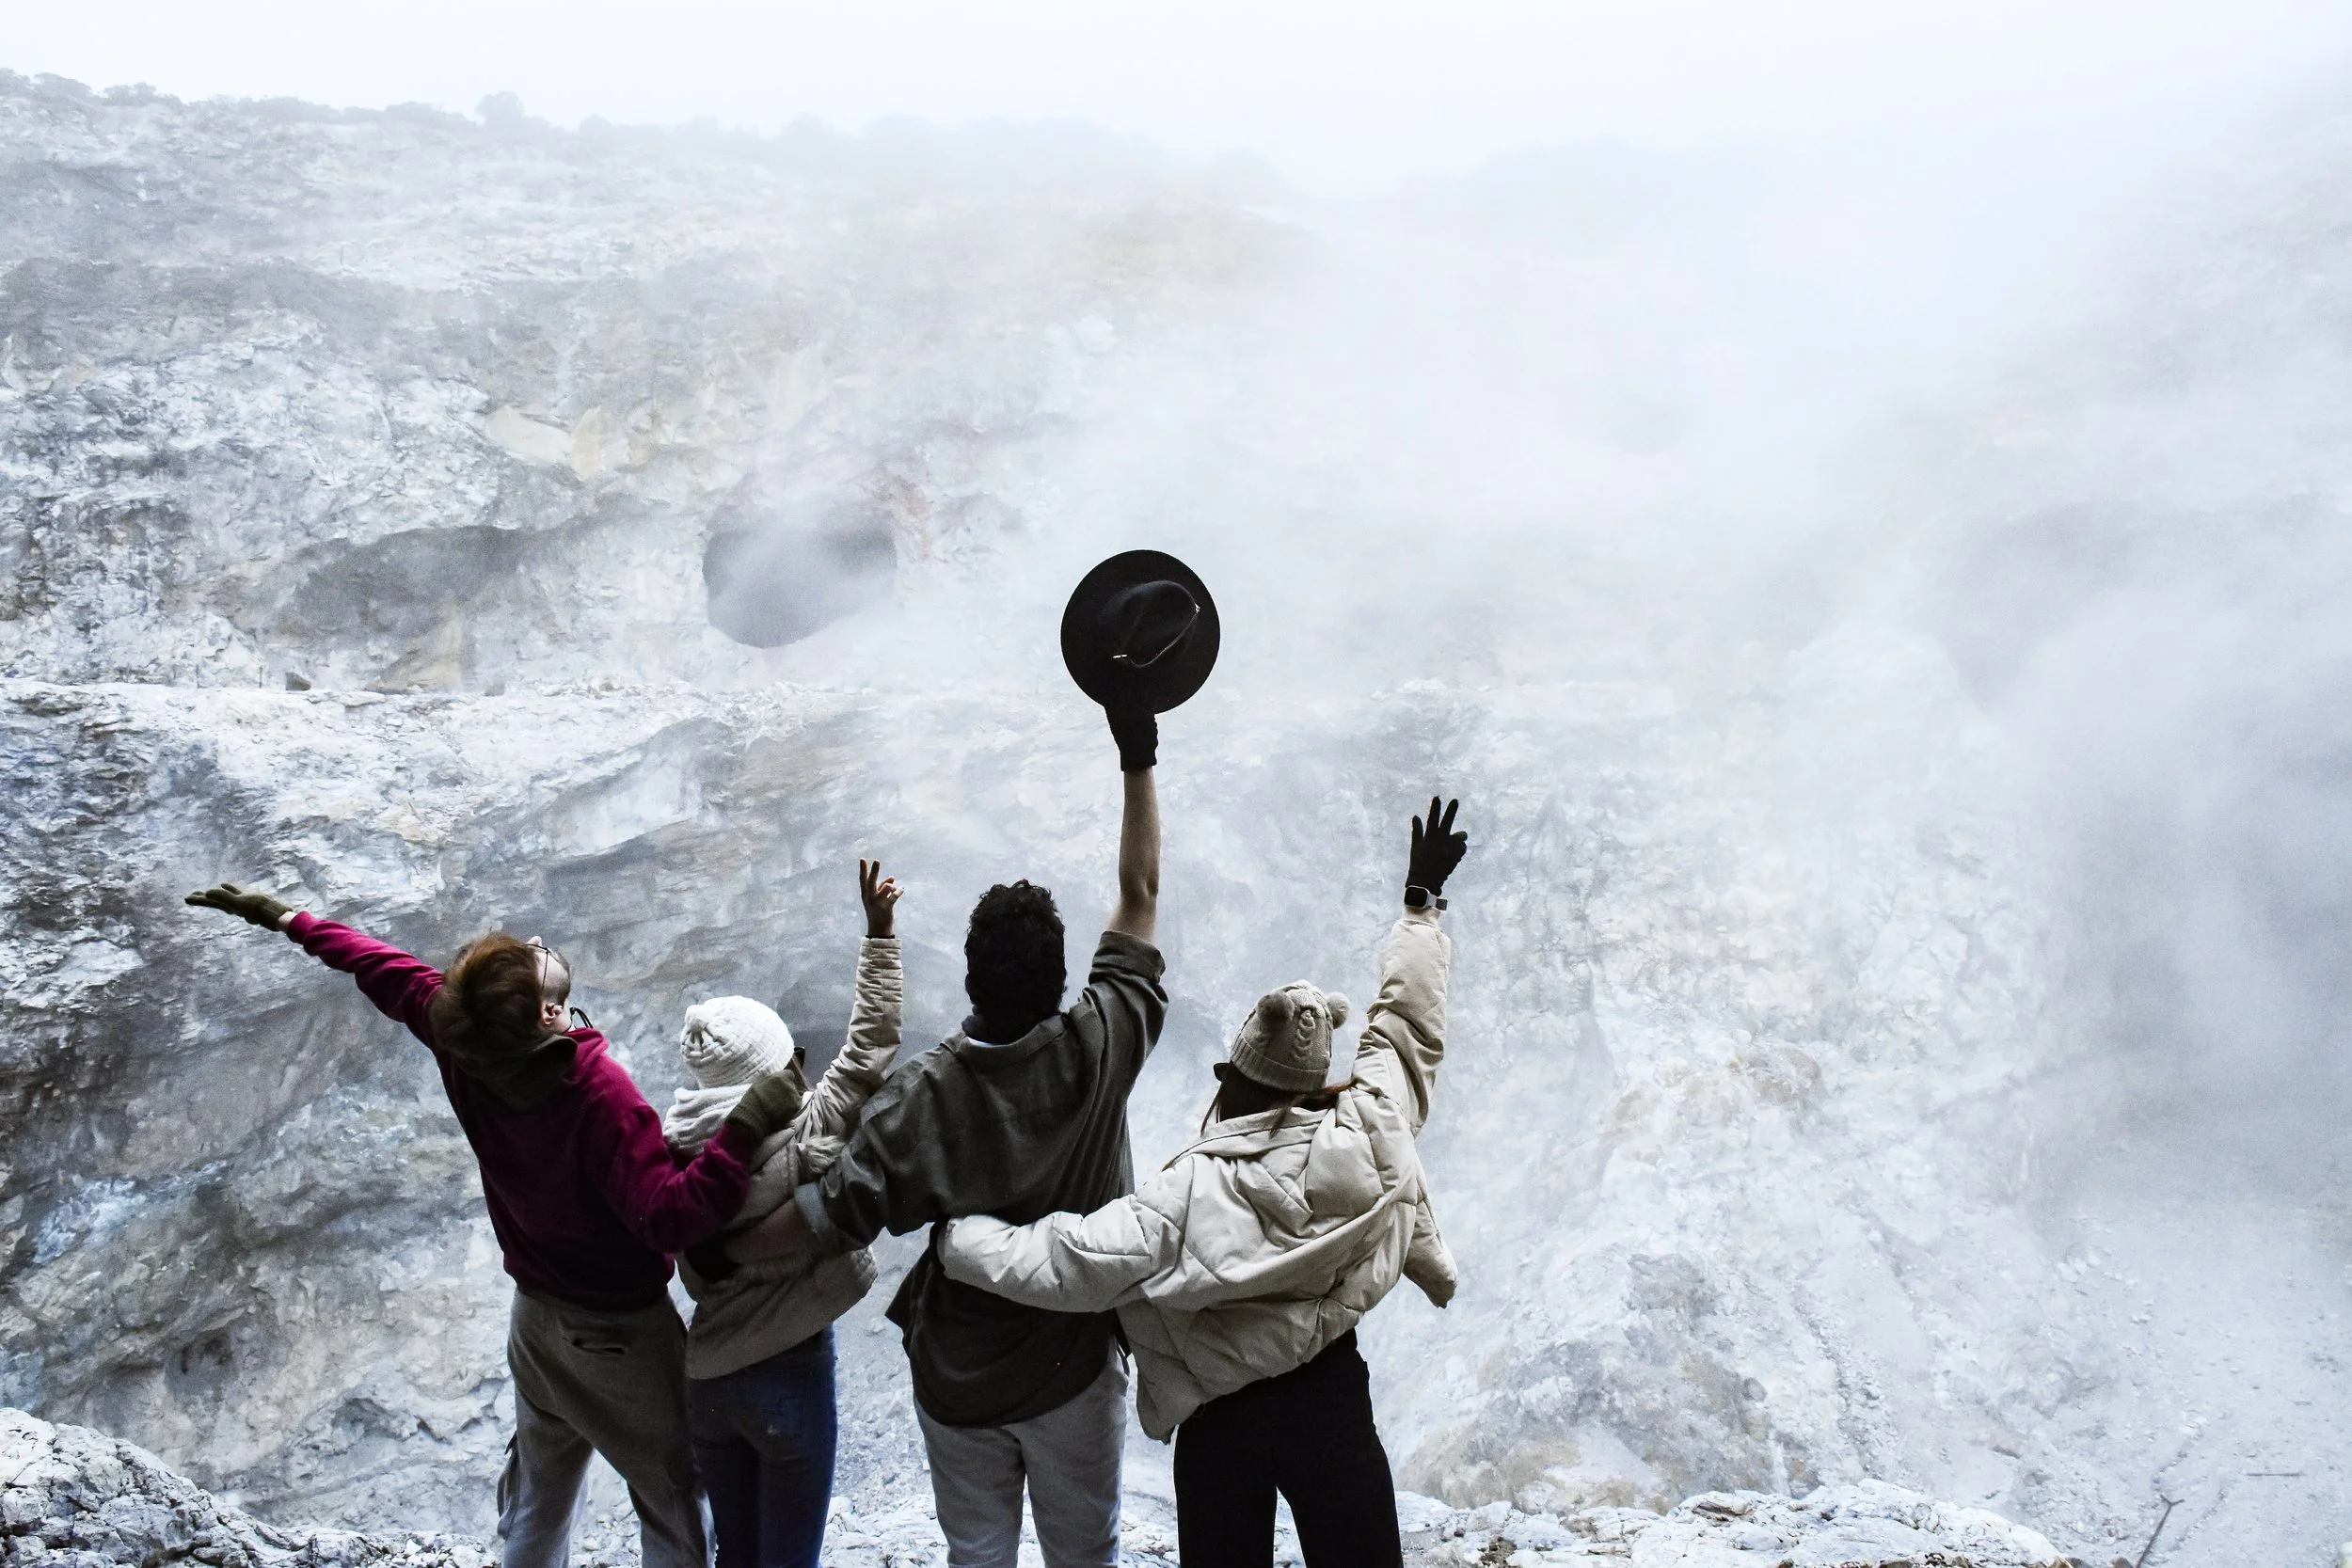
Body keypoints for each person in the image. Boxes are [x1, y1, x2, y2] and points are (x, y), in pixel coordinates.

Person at [183, 883, 803, 1568]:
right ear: (548, 1011)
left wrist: (288, 918)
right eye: (535, 960)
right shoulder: (597, 1093)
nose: (538, 944)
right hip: (618, 1333)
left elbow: (375, 964)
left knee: (541, 1492)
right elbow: (666, 1215)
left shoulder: (461, 1036)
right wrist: (746, 1126)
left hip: (534, 1319)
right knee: (673, 1493)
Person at [934, 796, 1470, 1568]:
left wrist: (961, 1240)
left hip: (1222, 1418)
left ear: (1235, 1076)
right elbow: (1405, 1025)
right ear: (1315, 1082)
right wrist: (1421, 906)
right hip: (1330, 1397)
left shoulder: (1189, 1192)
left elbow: (1070, 1259)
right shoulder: (1369, 1126)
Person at [726, 704, 1168, 1568]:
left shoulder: (917, 1102)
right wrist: (1136, 748)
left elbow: (825, 1215)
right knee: (1089, 1553)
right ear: (1060, 976)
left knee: (977, 1555)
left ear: (968, 977)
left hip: (959, 1378)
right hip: (1074, 1369)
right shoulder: (1102, 1040)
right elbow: (1141, 893)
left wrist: (718, 1249)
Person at [664, 859, 907, 1568]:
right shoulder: (809, 1131)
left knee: (735, 1558)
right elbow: (869, 1047)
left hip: (707, 1377)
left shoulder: (675, 1152)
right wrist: (880, 935)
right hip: (790, 1373)